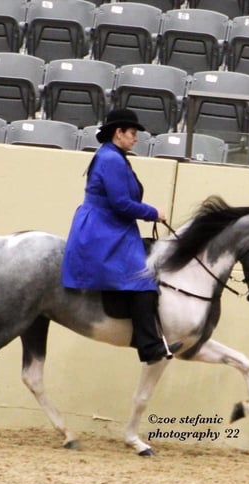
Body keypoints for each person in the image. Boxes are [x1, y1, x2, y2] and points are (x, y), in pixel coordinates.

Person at [61, 109, 178, 364]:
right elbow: (121, 203)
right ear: (119, 133)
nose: (136, 138)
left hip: (111, 225)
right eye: (133, 133)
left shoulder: (113, 155)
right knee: (142, 281)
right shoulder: (111, 159)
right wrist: (153, 212)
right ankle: (149, 346)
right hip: (104, 229)